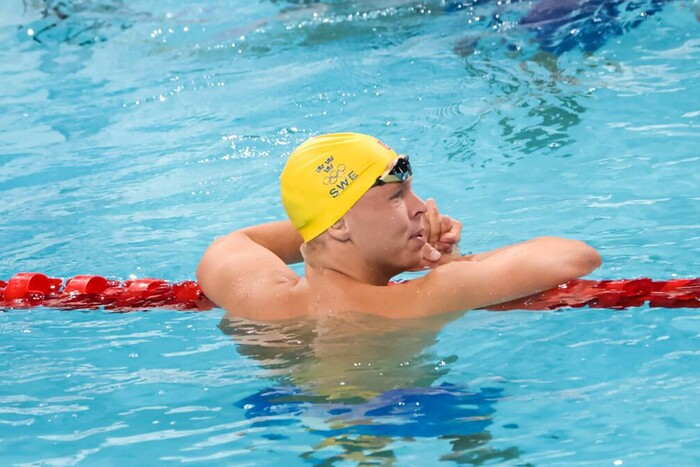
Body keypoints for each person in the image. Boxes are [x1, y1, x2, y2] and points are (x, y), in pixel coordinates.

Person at [197, 132, 601, 320]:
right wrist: (454, 265)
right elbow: (575, 256)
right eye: (396, 197)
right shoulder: (414, 301)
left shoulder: (253, 293)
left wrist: (328, 227)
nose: (421, 208)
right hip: (393, 409)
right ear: (339, 224)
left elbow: (237, 241)